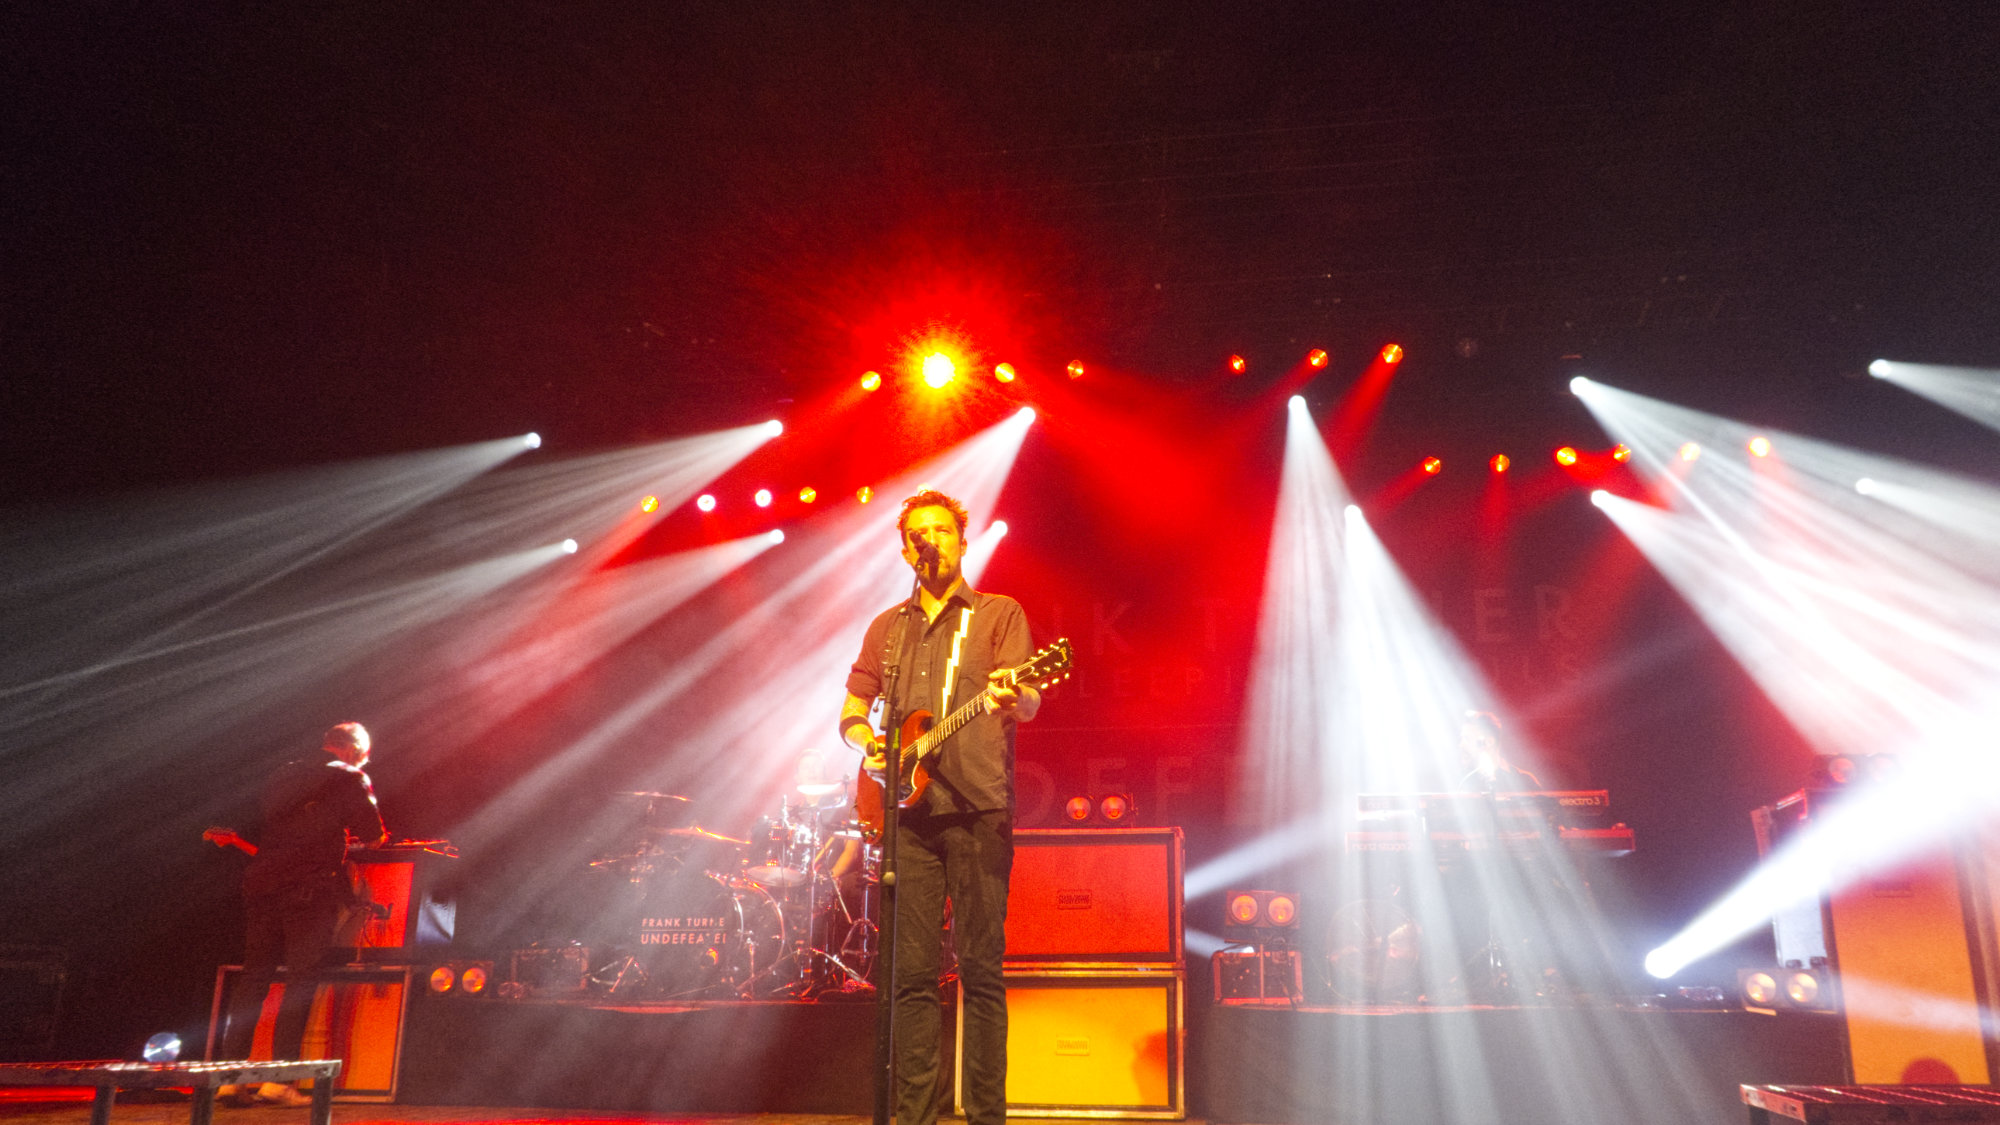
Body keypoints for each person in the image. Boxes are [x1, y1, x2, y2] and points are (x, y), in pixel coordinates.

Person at [839, 490, 1039, 1125]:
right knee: (911, 979)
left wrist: (1014, 697)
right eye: (920, 532)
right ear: (906, 548)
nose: (933, 540)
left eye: (944, 531)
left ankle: (985, 1116)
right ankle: (914, 1116)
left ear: (962, 540)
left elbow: (1029, 698)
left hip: (978, 809)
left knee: (981, 972)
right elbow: (852, 708)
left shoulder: (997, 614)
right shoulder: (887, 630)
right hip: (907, 820)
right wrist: (869, 744)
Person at [205, 722, 388, 1105]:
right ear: (353, 750)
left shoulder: (283, 772)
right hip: (308, 889)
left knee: (254, 977)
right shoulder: (350, 775)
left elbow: (277, 829)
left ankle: (230, 1078)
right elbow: (373, 835)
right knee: (301, 979)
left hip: (262, 883)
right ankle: (280, 1081)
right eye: (364, 754)